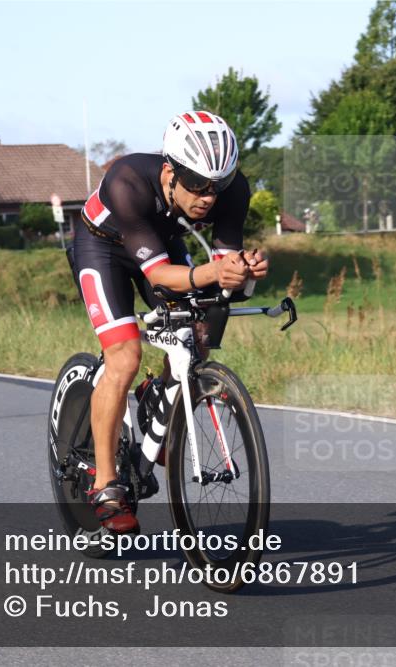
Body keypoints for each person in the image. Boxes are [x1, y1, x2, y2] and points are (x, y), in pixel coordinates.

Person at [70, 111, 269, 533]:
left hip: (161, 244)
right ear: (169, 171)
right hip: (102, 248)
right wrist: (215, 274)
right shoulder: (126, 181)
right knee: (124, 357)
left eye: (218, 186)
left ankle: (160, 398)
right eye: (196, 184)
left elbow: (220, 273)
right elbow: (158, 275)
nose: (208, 197)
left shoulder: (231, 191)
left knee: (196, 333)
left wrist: (241, 270)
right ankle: (106, 485)